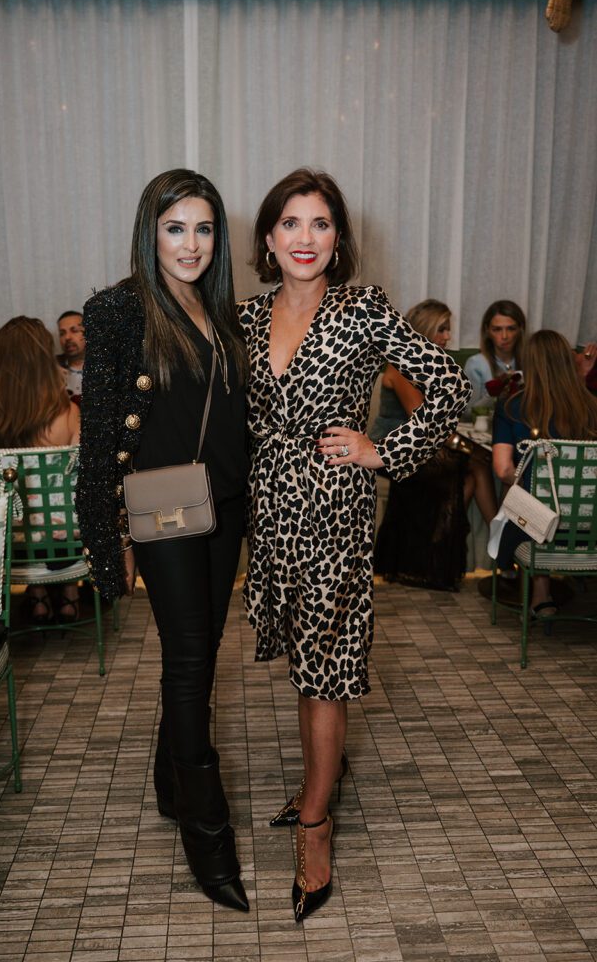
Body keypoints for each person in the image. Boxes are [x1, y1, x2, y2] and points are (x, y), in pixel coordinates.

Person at [238, 168, 470, 921]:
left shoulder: (362, 307)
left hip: (335, 509)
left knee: (326, 669)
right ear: (268, 239)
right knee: (301, 664)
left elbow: (447, 386)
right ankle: (315, 785)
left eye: (320, 224)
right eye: (290, 224)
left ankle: (314, 829)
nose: (305, 238)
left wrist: (383, 453)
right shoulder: (244, 316)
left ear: (338, 239)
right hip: (270, 510)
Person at [76, 169, 250, 913]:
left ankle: (168, 781)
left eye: (204, 228)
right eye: (175, 227)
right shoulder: (116, 310)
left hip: (225, 507)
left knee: (202, 654)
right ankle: (207, 837)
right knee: (187, 665)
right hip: (161, 510)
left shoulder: (224, 313)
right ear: (151, 230)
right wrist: (103, 538)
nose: (191, 243)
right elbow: (96, 442)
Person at [0, 316, 81, 620]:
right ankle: (68, 591)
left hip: (0, 540)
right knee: (61, 507)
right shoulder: (68, 412)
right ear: (44, 360)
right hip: (61, 539)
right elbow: (82, 482)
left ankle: (37, 596)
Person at [371, 298, 496, 591]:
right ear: (424, 331)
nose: (447, 337)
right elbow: (423, 419)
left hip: (415, 447)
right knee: (475, 465)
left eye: (448, 330)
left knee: (472, 470)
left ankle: (438, 549)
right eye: (442, 329)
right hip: (390, 452)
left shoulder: (424, 365)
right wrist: (464, 444)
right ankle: (494, 536)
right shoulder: (400, 367)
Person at [492, 329, 597, 618]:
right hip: (589, 529)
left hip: (538, 529)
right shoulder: (592, 407)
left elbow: (503, 470)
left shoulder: (513, 406)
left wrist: (532, 488)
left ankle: (541, 594)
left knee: (527, 503)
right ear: (568, 362)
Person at [464, 300, 526, 416]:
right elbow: (467, 412)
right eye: (497, 329)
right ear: (487, 330)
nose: (504, 336)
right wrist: (493, 393)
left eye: (511, 329)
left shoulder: (530, 361)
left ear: (520, 329)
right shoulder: (476, 364)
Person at [57, 311, 85, 398]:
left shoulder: (107, 366)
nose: (67, 337)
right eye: (62, 333)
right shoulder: (51, 368)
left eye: (74, 330)